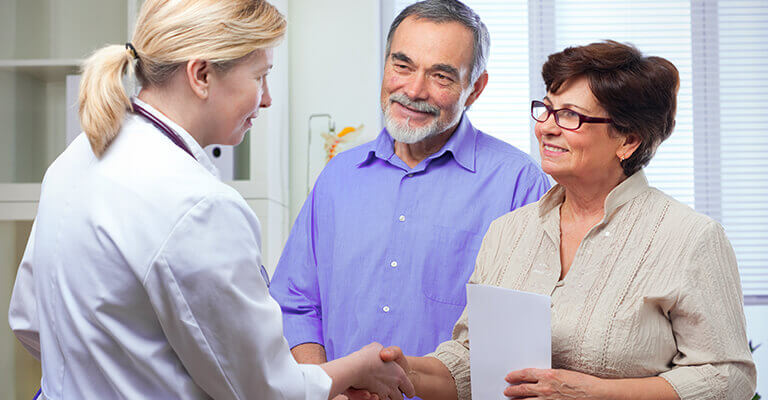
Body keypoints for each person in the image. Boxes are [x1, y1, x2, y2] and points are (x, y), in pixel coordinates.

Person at [7, 1, 415, 399]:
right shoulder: (197, 204)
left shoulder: (75, 158)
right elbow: (265, 390)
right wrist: (357, 368)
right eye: (260, 76)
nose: (267, 98)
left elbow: (29, 321)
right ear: (201, 74)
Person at [363, 41, 757, 400]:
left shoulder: (690, 238)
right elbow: (470, 362)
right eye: (547, 108)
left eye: (570, 115)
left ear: (628, 140)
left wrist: (597, 393)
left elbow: (728, 378)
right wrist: (403, 371)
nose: (546, 126)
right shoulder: (508, 232)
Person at [269, 0, 550, 378]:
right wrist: (324, 386)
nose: (414, 90)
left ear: (475, 88)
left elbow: (517, 340)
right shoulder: (338, 176)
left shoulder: (519, 183)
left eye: (441, 76)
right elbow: (295, 302)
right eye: (402, 66)